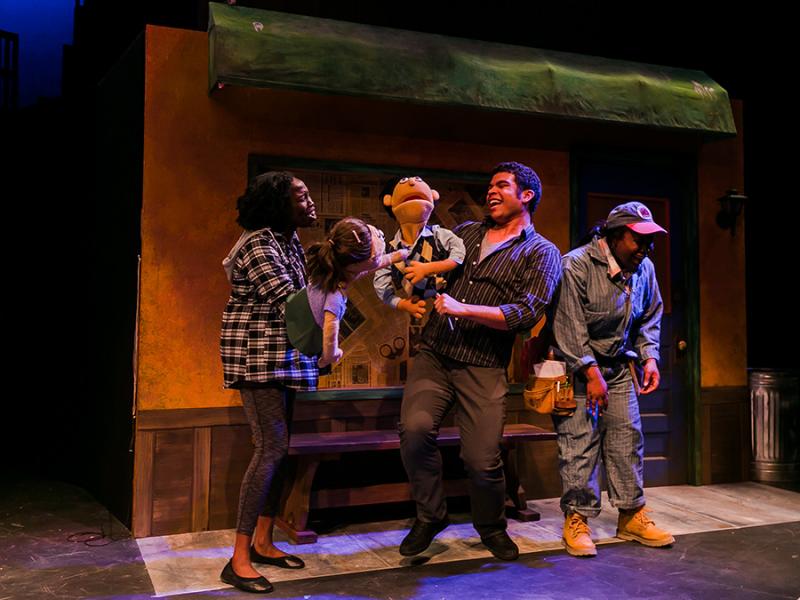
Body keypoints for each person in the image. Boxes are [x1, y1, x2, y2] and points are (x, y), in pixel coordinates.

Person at [397, 161, 562, 561]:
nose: (491, 191)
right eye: (489, 185)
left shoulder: (541, 252)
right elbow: (425, 264)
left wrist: (463, 308)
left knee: (481, 458)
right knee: (415, 431)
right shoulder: (466, 234)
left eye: (501, 186)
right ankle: (430, 516)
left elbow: (525, 314)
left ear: (526, 196)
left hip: (484, 364)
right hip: (436, 355)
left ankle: (490, 527)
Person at [551, 201, 674, 558]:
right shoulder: (575, 265)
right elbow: (568, 323)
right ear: (616, 235)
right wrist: (589, 371)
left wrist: (650, 357)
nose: (646, 249)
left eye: (649, 241)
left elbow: (651, 314)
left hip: (619, 369)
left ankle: (631, 515)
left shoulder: (644, 268)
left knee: (626, 438)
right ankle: (577, 518)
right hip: (578, 370)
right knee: (579, 443)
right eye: (639, 240)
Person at [219, 171, 317, 594]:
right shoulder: (259, 242)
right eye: (302, 195)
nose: (310, 201)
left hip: (281, 360)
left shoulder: (287, 240)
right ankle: (237, 559)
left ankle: (262, 542)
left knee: (280, 449)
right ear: (280, 202)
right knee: (270, 449)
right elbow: (292, 303)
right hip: (256, 360)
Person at [297, 217, 409, 368]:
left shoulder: (342, 270)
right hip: (304, 337)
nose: (380, 235)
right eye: (374, 256)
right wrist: (331, 355)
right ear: (355, 264)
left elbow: (370, 266)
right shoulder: (334, 295)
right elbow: (330, 331)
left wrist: (398, 255)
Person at [373, 176, 466, 320]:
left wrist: (430, 268)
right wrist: (403, 304)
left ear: (433, 196)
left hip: (450, 297)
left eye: (418, 181)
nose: (411, 183)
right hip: (419, 307)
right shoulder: (391, 250)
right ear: (390, 201)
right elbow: (381, 286)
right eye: (405, 182)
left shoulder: (437, 235)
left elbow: (459, 252)